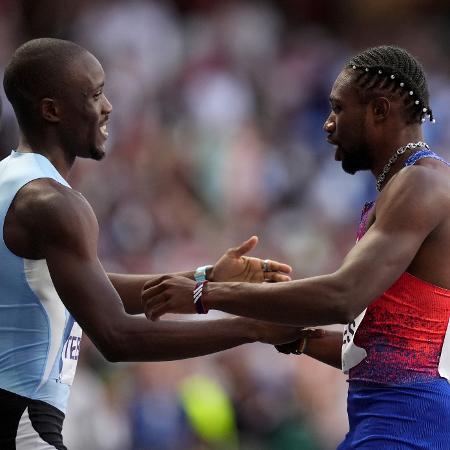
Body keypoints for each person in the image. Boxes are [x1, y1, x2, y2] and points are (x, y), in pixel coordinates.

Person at [0, 38, 304, 449]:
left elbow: (94, 290)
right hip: (23, 425)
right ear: (52, 110)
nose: (108, 107)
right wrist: (254, 328)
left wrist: (206, 282)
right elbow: (116, 336)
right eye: (95, 94)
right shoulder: (55, 204)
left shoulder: (12, 181)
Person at [143, 45, 450, 448]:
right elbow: (380, 352)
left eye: (339, 109)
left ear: (379, 110)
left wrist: (207, 293)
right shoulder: (402, 189)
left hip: (408, 423)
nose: (327, 124)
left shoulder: (421, 185)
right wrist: (297, 338)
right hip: (391, 418)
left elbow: (342, 296)